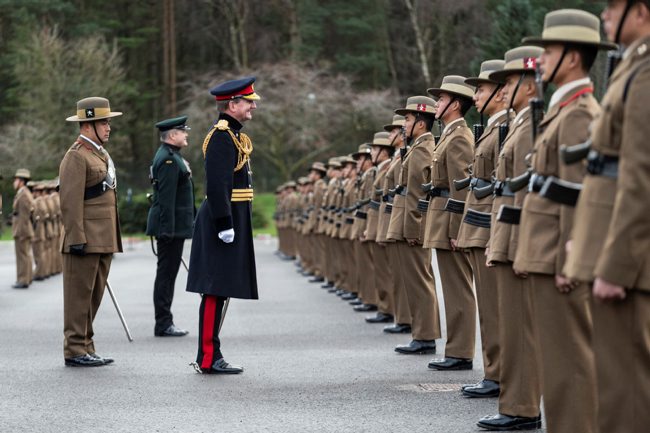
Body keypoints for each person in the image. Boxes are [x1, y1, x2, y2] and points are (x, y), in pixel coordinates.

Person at [514, 9, 614, 433]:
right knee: (558, 368)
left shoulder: (578, 113)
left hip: (559, 256)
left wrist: (569, 264)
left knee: (570, 366)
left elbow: (578, 194)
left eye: (550, 50)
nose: (542, 58)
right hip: (546, 250)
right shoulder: (561, 109)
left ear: (572, 57)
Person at [564, 1, 650, 431]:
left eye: (615, 7)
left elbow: (640, 180)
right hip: (617, 251)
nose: (605, 16)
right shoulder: (631, 67)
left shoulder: (646, 72)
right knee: (616, 392)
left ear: (643, 12)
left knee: (627, 396)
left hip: (632, 265)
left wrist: (615, 264)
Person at [478, 45, 544, 431]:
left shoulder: (532, 124)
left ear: (530, 84)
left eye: (508, 82)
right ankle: (516, 403)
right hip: (506, 231)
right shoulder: (520, 123)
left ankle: (523, 407)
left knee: (520, 326)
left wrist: (519, 243)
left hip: (518, 234)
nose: (502, 90)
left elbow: (528, 191)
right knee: (511, 323)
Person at [186, 76, 260, 374]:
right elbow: (217, 185)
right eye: (248, 102)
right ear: (233, 104)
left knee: (221, 289)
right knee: (215, 289)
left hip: (233, 216)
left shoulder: (234, 136)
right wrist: (224, 223)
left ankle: (212, 352)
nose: (252, 107)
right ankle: (207, 357)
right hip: (223, 218)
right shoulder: (220, 136)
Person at [453, 62, 510, 397]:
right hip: (479, 224)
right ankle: (495, 372)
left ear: (501, 93)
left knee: (495, 309)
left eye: (481, 90)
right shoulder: (491, 128)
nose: (476, 97)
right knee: (490, 310)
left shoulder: (506, 128)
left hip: (489, 227)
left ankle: (500, 374)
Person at [59, 97, 123, 367]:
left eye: (108, 122)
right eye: (104, 122)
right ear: (88, 125)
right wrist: (76, 238)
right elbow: (69, 202)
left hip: (103, 238)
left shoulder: (100, 153)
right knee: (78, 297)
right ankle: (74, 349)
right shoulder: (76, 155)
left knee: (92, 297)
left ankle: (86, 345)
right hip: (84, 239)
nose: (109, 127)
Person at [423, 76, 476, 370]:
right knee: (452, 288)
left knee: (458, 289)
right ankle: (456, 349)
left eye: (441, 100)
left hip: (451, 220)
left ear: (455, 104)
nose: (437, 104)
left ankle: (462, 352)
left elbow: (461, 188)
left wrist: (458, 229)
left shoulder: (458, 137)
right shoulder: (448, 135)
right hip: (442, 216)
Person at [387, 96, 441, 355]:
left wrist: (413, 229)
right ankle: (421, 334)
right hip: (405, 221)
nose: (403, 125)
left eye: (407, 120)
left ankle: (426, 336)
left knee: (419, 281)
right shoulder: (415, 147)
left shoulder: (421, 149)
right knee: (415, 281)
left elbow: (418, 194)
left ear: (421, 123)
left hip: (412, 224)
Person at [146, 116, 194, 337]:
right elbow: (166, 199)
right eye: (183, 131)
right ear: (173, 135)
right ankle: (163, 323)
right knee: (166, 275)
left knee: (168, 274)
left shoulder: (172, 156)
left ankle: (164, 321)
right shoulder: (167, 159)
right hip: (170, 229)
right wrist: (167, 230)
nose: (186, 134)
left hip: (173, 227)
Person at [11, 168, 35, 289]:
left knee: (22, 256)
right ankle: (27, 277)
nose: (14, 182)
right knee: (25, 255)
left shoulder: (24, 194)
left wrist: (19, 232)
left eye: (15, 179)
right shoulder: (23, 192)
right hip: (24, 229)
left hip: (22, 230)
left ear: (21, 181)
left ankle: (23, 279)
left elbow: (25, 216)